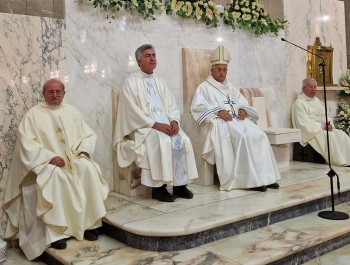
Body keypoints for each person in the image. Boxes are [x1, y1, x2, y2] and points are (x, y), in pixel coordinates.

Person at [2, 79, 109, 260]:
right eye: (50, 92)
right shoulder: (33, 115)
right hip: (47, 164)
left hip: (72, 160)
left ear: (64, 93)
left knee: (88, 169)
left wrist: (83, 151)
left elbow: (88, 134)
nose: (55, 95)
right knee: (55, 176)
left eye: (58, 91)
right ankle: (57, 234)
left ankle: (90, 225)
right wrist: (49, 157)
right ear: (43, 94)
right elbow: (26, 143)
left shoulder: (72, 112)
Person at [113, 44, 198, 202]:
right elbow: (130, 111)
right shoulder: (131, 82)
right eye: (147, 56)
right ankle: (158, 188)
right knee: (161, 141)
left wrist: (174, 121)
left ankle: (179, 186)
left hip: (165, 125)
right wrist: (153, 124)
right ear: (139, 62)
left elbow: (171, 105)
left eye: (153, 55)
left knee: (183, 139)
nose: (152, 58)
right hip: (142, 127)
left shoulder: (160, 82)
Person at [190, 45, 280, 192]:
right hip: (223, 123)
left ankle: (266, 177)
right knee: (243, 137)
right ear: (211, 70)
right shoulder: (204, 87)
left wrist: (243, 110)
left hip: (238, 120)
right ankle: (248, 180)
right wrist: (218, 111)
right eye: (218, 69)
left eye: (224, 70)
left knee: (260, 135)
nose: (222, 73)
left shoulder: (230, 87)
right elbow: (198, 106)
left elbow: (242, 101)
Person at [292, 78, 350, 166]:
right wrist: (322, 127)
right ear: (303, 89)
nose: (313, 89)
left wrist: (329, 124)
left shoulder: (316, 100)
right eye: (310, 87)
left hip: (321, 128)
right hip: (311, 132)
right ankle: (339, 162)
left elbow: (324, 115)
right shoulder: (299, 103)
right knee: (331, 137)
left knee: (342, 135)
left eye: (315, 87)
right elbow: (303, 123)